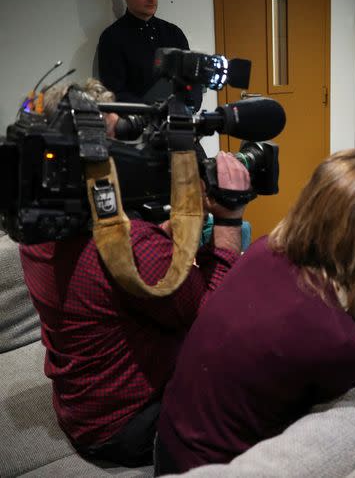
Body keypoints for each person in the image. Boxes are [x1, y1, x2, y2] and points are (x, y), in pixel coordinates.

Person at [19, 83, 253, 467]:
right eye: (113, 141)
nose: (124, 152)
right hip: (129, 425)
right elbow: (217, 317)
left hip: (81, 408)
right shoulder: (126, 248)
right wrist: (230, 215)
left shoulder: (35, 227)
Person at [154, 149, 355, 474]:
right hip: (217, 468)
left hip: (168, 445)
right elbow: (337, 362)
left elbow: (312, 359)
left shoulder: (262, 250)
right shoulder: (337, 336)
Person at [98, 0, 189, 102]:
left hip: (179, 121)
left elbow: (191, 81)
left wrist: (189, 104)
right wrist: (154, 109)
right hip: (136, 122)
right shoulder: (112, 38)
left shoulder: (174, 33)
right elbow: (114, 93)